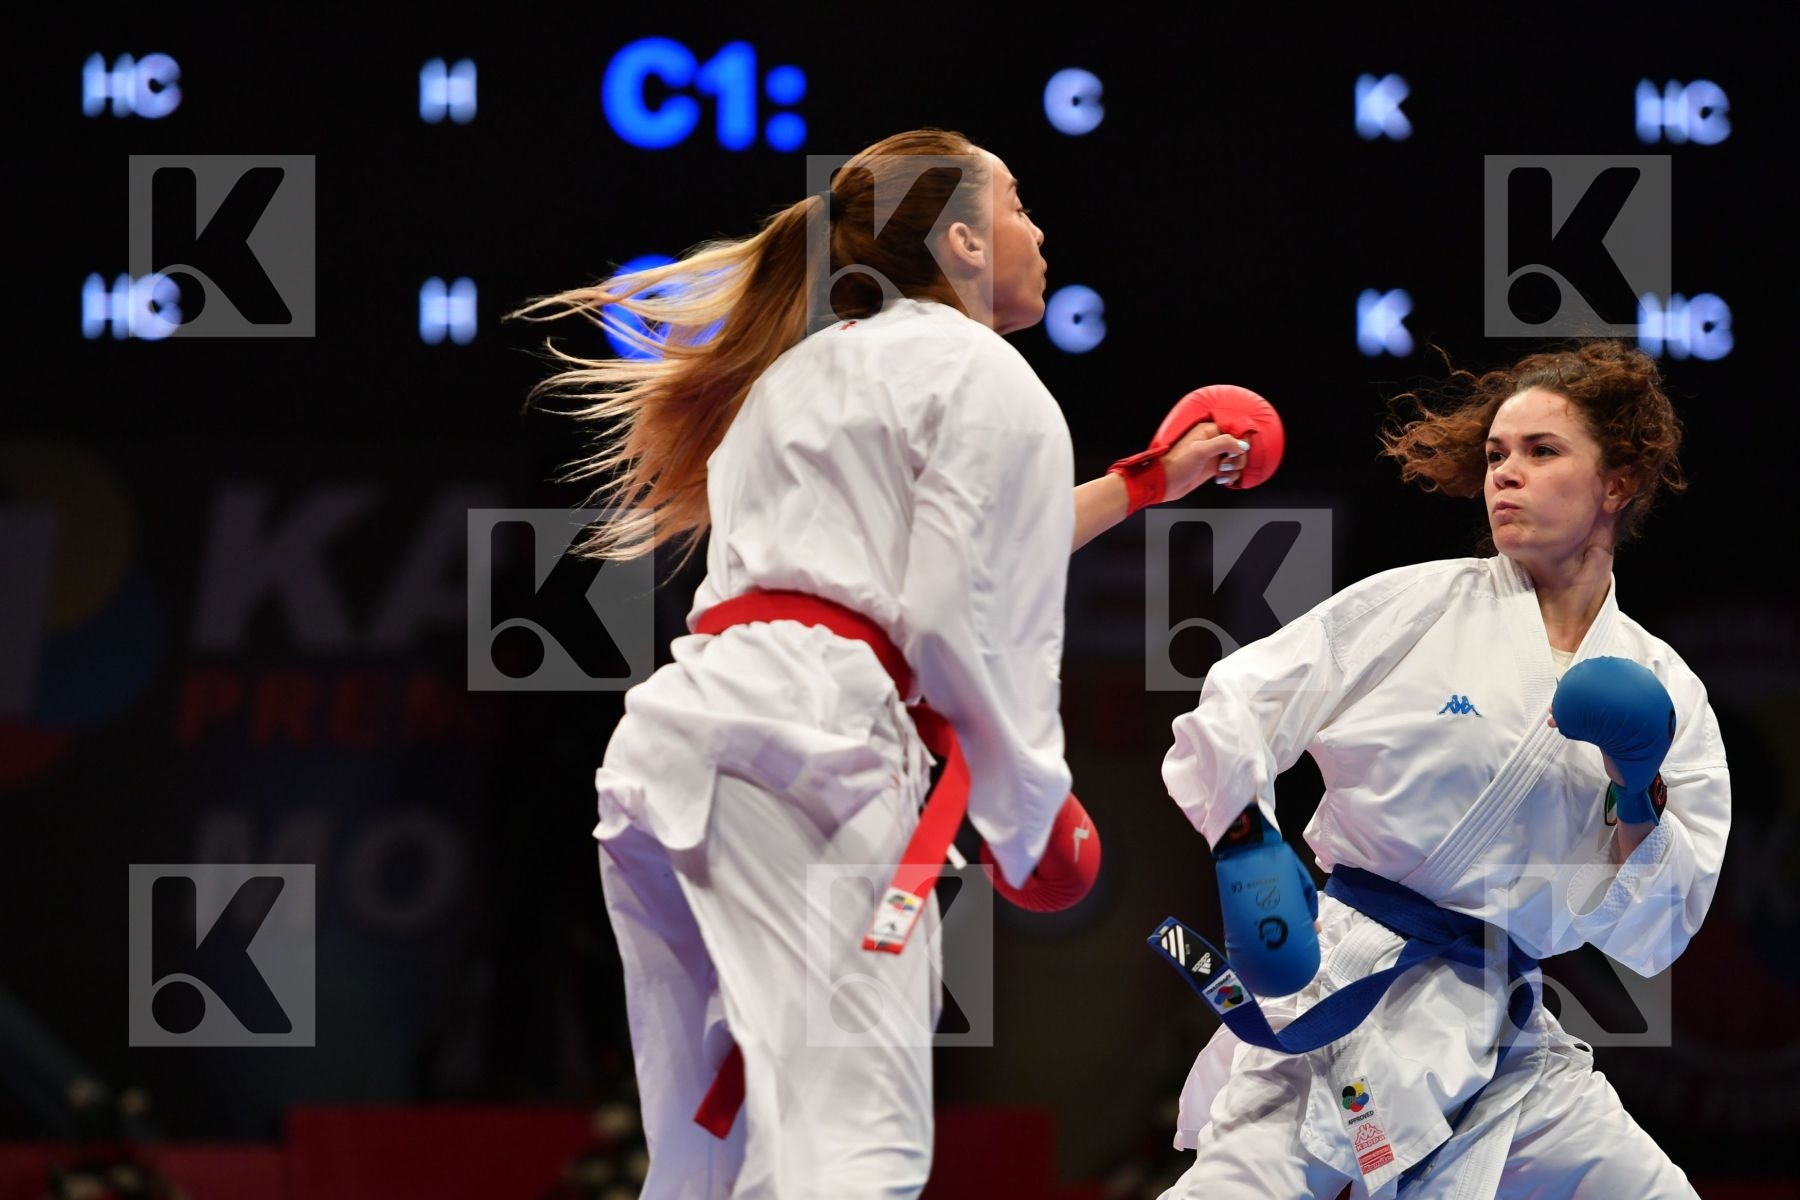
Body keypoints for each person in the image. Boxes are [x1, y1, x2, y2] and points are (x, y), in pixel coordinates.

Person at [506, 127, 1254, 1199]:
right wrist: (1030, 808)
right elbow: (956, 614)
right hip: (809, 756)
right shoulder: (985, 373)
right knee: (860, 1149)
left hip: (681, 750)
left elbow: (944, 557)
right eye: (1018, 205)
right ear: (959, 239)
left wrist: (1141, 483)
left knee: (716, 1155)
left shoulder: (802, 373)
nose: (1040, 233)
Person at [1153, 339, 1730, 1198]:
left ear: (1617, 484)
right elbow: (1236, 701)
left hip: (1501, 1029)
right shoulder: (1416, 606)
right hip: (1345, 989)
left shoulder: (1664, 682)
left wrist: (1636, 785)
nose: (1506, 474)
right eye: (1497, 454)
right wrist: (1244, 842)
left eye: (1541, 452)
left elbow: (1658, 930)